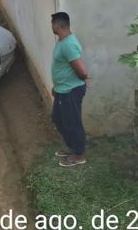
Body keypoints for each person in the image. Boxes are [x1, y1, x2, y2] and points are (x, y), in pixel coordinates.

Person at [50, 12, 90, 167]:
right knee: (58, 118)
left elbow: (81, 70)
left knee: (73, 122)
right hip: (62, 90)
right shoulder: (62, 41)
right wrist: (56, 86)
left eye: (52, 23)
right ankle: (71, 146)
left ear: (57, 25)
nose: (51, 27)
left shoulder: (68, 44)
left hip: (71, 91)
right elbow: (63, 67)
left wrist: (83, 78)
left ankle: (79, 154)